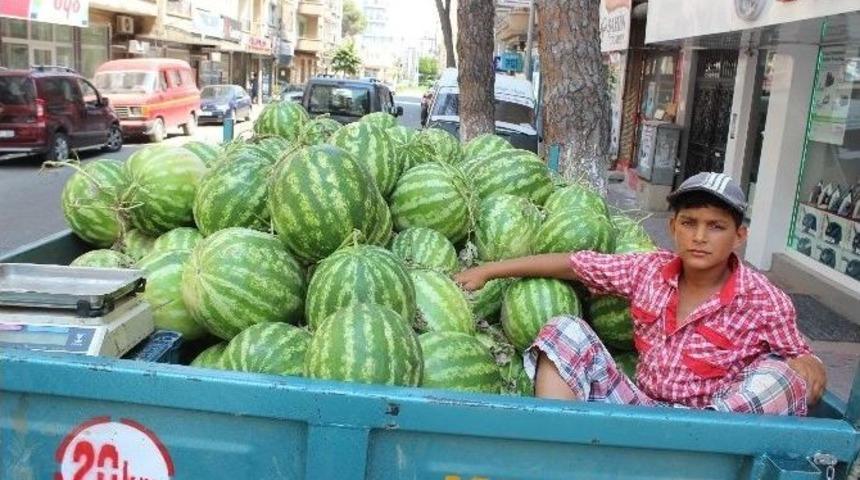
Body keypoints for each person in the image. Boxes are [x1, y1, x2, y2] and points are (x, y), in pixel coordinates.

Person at [455, 172, 827, 416]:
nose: (699, 237)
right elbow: (573, 263)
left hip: (713, 429)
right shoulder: (647, 270)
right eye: (689, 223)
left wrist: (810, 365)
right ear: (673, 228)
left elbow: (802, 361)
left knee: (780, 376)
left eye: (715, 226)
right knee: (563, 330)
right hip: (639, 411)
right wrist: (490, 270)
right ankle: (560, 445)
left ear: (738, 236)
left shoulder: (763, 299)